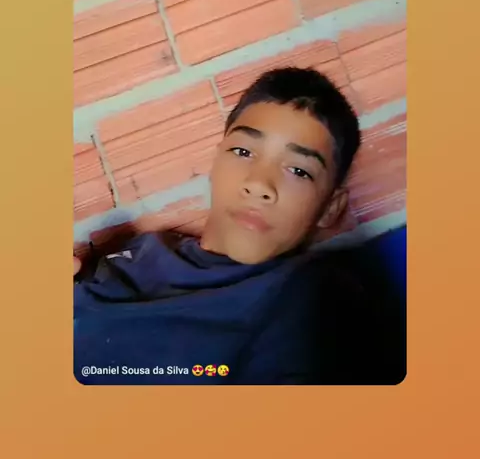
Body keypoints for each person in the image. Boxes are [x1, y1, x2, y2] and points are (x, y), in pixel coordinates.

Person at [74, 66, 377, 385]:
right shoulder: (142, 249)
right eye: (243, 152)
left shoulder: (313, 301)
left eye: (299, 171)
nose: (259, 184)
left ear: (330, 208)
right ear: (216, 163)